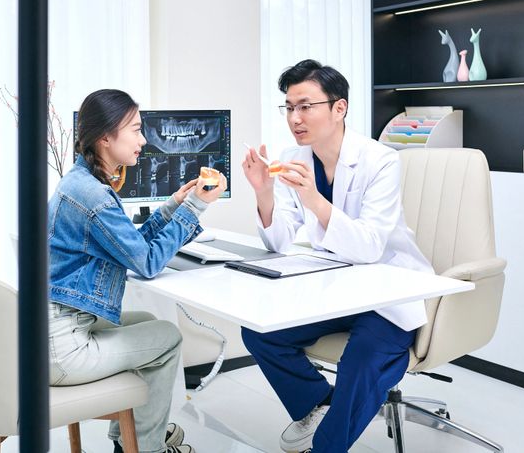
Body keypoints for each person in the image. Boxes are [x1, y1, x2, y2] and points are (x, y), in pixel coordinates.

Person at [241, 60, 432, 453]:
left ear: (339, 108)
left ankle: (327, 446)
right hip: (335, 285)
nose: (295, 117)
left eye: (306, 105)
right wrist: (263, 192)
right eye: (289, 107)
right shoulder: (295, 155)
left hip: (387, 290)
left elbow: (368, 248)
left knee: (361, 363)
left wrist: (313, 198)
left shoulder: (380, 160)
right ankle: (320, 402)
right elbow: (279, 242)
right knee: (259, 330)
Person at [48, 89, 226, 453]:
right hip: (63, 350)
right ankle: (147, 446)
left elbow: (131, 247)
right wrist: (195, 207)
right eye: (136, 129)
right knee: (168, 337)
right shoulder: (94, 195)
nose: (144, 140)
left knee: (146, 318)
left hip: (52, 332)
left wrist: (173, 205)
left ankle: (127, 437)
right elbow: (147, 264)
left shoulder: (81, 183)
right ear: (106, 137)